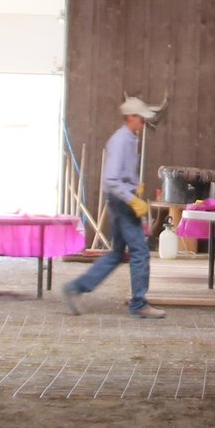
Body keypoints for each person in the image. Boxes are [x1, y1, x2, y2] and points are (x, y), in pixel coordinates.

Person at [61, 95, 166, 320]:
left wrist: (135, 188)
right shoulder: (121, 141)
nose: (144, 123)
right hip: (122, 202)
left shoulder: (130, 138)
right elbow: (110, 179)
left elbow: (121, 176)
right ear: (131, 117)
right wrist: (131, 199)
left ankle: (76, 288)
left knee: (118, 253)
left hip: (122, 200)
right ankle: (139, 304)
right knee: (140, 252)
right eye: (141, 119)